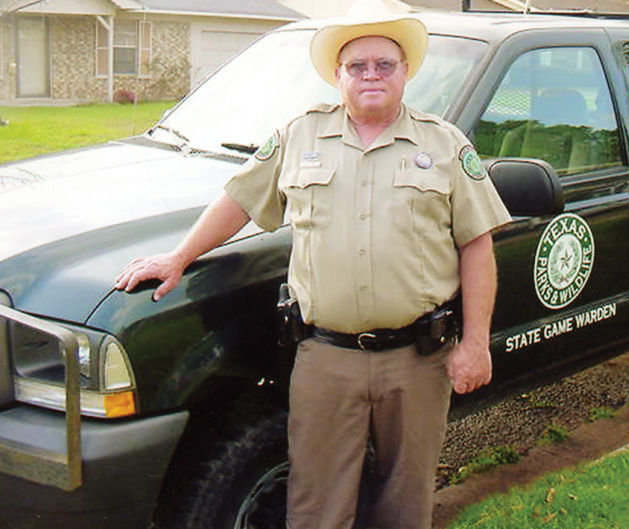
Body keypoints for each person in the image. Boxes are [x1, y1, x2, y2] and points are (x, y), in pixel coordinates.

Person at [115, 2, 510, 527]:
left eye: (385, 65)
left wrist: (476, 344)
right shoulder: (300, 136)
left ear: (405, 72)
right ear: (338, 76)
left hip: (417, 361)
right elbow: (239, 201)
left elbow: (476, 246)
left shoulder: (443, 144)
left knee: (405, 502)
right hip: (327, 359)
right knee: (316, 507)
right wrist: (180, 256)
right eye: (358, 66)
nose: (371, 75)